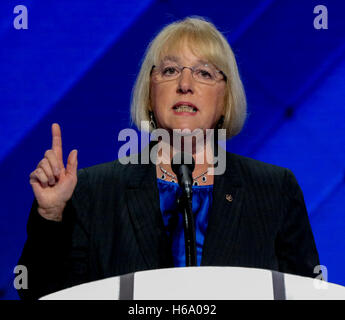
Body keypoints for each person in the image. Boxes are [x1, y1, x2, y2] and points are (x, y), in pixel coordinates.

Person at [18, 17, 320, 300]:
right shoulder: (93, 191)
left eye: (204, 72)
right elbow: (40, 294)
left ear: (225, 100)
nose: (185, 84)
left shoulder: (273, 189)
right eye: (170, 70)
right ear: (150, 94)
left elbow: (308, 294)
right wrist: (51, 215)